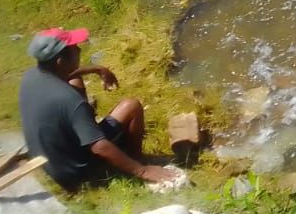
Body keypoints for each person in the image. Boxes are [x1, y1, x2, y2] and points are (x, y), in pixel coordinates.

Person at [18, 28, 178, 190]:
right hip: (76, 172)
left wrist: (96, 69)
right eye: (74, 49)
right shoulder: (69, 100)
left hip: (49, 162)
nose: (79, 49)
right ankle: (136, 159)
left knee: (76, 80)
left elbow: (68, 75)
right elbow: (99, 147)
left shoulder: (31, 76)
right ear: (60, 61)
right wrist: (142, 171)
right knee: (132, 106)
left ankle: (89, 129)